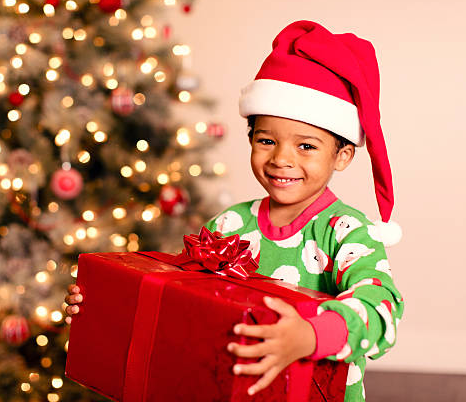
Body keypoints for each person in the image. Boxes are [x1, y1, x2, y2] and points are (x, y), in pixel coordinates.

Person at [65, 20, 404, 401]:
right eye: (266, 140)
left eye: (306, 146)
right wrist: (104, 306)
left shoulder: (346, 231)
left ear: (341, 156)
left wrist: (309, 335)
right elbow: (181, 298)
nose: (281, 159)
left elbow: (382, 312)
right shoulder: (230, 224)